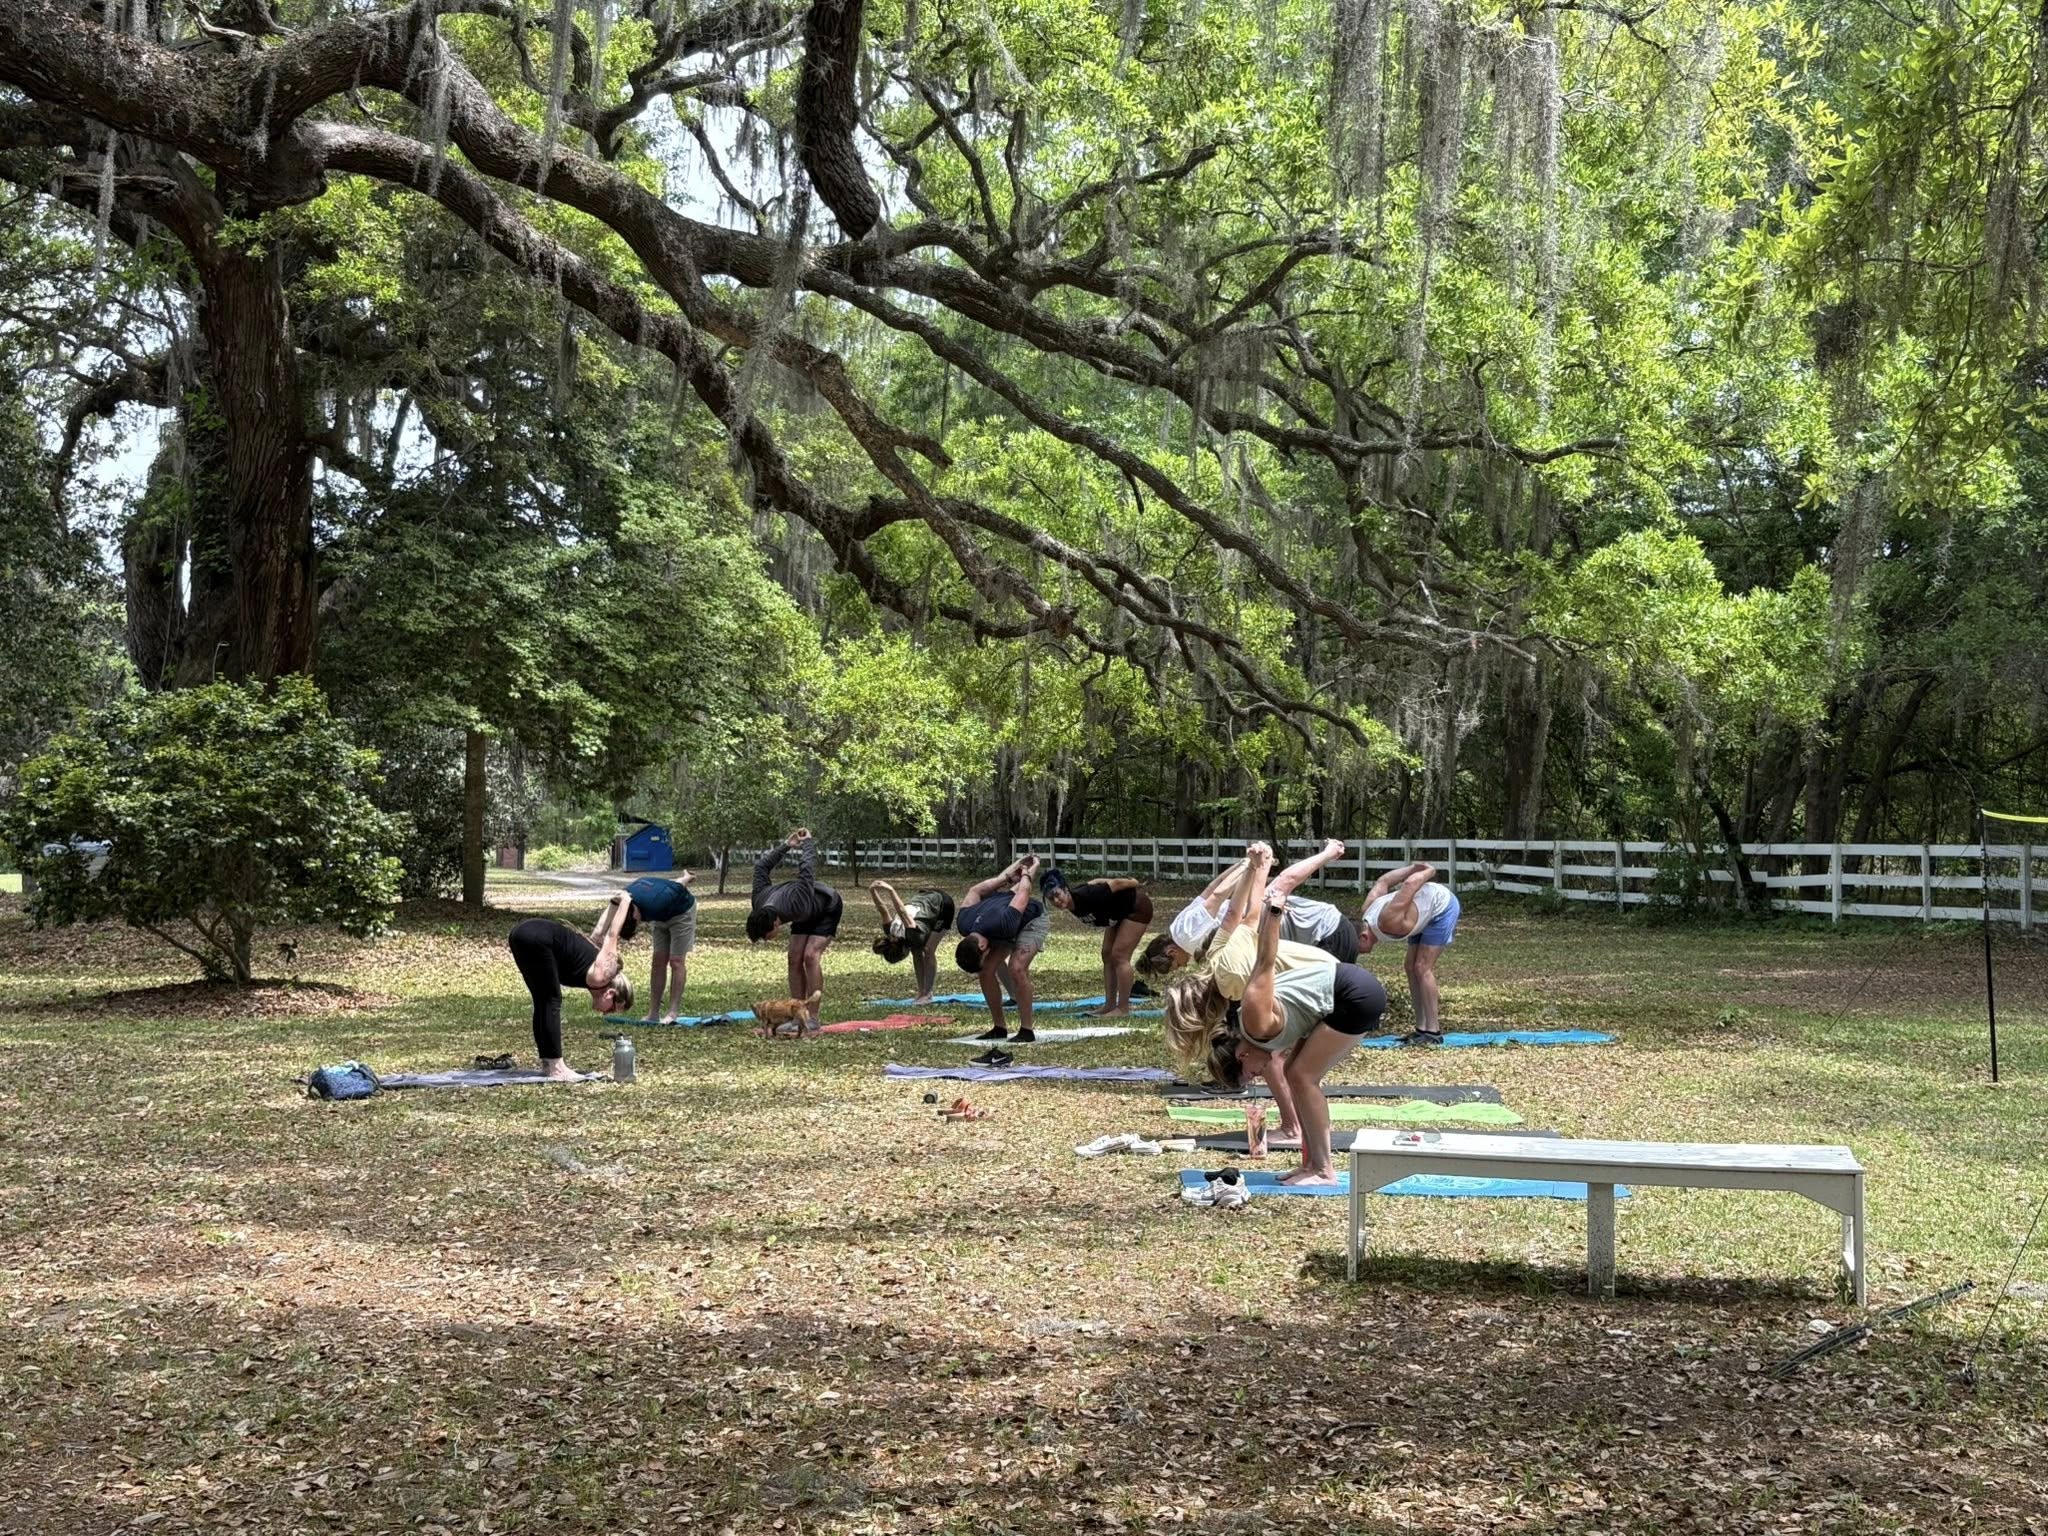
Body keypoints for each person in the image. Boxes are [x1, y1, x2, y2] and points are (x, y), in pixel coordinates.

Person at [1164, 861, 1387, 1185]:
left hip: (1354, 993)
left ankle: (1324, 1171)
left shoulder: (1253, 1017)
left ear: (1243, 1055)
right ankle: (1311, 1164)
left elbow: (1266, 961)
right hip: (1339, 992)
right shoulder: (1253, 1028)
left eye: (1252, 1073)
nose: (1261, 1073)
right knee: (1298, 1074)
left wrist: (1274, 912)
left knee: (1301, 1076)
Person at [1137, 845, 1360, 977]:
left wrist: (1250, 865)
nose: (1183, 966)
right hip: (1246, 914)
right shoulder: (1177, 926)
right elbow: (1212, 887)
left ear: (1171, 952)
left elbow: (1217, 895)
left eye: (1177, 965)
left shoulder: (1186, 938)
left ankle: (1329, 852)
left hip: (1247, 913)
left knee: (1282, 884)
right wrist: (1244, 863)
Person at [1202, 839, 1355, 1002]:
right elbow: (1231, 911)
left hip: (1330, 933)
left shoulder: (1257, 903)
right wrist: (1254, 865)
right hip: (1316, 938)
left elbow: (1288, 878)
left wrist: (1328, 853)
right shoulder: (1242, 921)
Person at [506, 896, 635, 1081]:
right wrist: (625, 902)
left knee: (543, 1000)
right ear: (611, 993)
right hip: (535, 938)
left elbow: (599, 931)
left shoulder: (594, 959)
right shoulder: (604, 972)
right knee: (551, 1000)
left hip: (521, 934)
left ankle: (548, 1064)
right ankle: (557, 1067)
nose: (607, 1013)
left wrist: (613, 905)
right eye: (613, 1008)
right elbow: (612, 935)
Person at [745, 829, 842, 1031]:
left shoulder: (796, 901)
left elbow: (807, 868)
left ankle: (812, 1017)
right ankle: (797, 1015)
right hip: (804, 913)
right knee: (793, 957)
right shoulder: (759, 901)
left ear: (774, 924)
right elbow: (761, 867)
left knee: (810, 956)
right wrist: (786, 845)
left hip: (826, 907)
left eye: (765, 936)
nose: (766, 940)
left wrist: (807, 843)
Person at [1359, 861, 1460, 1044]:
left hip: (1441, 907)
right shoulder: (1367, 911)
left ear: (1364, 937)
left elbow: (1410, 884)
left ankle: (1433, 1032)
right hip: (1420, 915)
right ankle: (1421, 1028)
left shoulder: (1388, 920)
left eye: (1358, 949)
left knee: (1422, 968)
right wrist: (1413, 868)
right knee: (1410, 966)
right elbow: (1383, 881)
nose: (1360, 953)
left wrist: (1429, 870)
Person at [952, 854, 1050, 1043]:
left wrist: (1027, 873)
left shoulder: (1003, 923)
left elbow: (1023, 893)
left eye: (983, 955)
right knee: (986, 971)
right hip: (1000, 927)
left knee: (1016, 968)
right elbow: (975, 891)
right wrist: (1004, 879)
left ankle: (1026, 1030)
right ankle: (999, 1028)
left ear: (982, 946)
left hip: (1031, 920)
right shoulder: (964, 923)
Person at [1040, 867, 1154, 1016]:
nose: (1056, 900)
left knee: (1119, 956)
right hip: (1116, 913)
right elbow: (1095, 881)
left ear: (1065, 889)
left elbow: (1117, 883)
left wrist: (1134, 882)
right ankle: (1109, 1004)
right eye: (1051, 898)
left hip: (1136, 907)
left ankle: (1123, 1008)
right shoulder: (1073, 900)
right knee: (1107, 954)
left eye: (1057, 894)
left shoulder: (1087, 895)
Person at [624, 870, 696, 1024]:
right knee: (658, 961)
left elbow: (676, 887)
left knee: (676, 961)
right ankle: (653, 1013)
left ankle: (672, 1013)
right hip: (660, 917)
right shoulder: (625, 898)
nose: (639, 923)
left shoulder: (657, 902)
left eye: (635, 922)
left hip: (682, 912)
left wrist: (686, 879)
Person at [868, 879, 955, 1005]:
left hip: (943, 904)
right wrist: (872, 891)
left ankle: (928, 994)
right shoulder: (890, 931)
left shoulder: (912, 934)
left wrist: (891, 890)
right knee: (917, 951)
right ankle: (921, 992)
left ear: (903, 950)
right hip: (925, 897)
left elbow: (901, 911)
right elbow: (882, 909)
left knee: (928, 950)